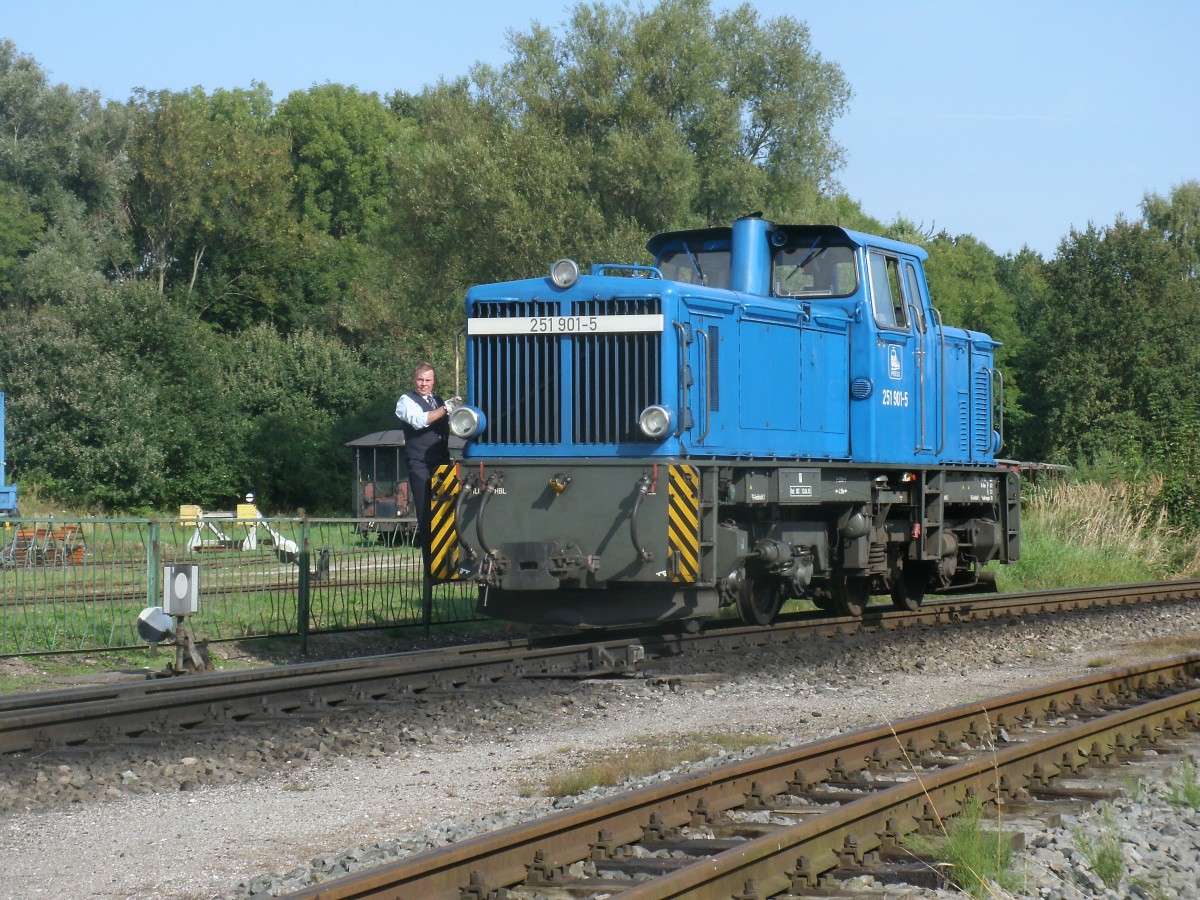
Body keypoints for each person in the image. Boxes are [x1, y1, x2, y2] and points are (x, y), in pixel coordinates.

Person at [394, 363, 455, 556]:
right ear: (414, 380)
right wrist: (446, 408)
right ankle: (431, 560)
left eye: (428, 380)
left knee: (447, 507)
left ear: (434, 382)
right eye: (420, 379)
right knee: (426, 510)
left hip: (441, 461)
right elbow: (419, 420)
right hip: (420, 463)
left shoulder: (437, 400)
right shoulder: (406, 400)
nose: (424, 384)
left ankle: (448, 556)